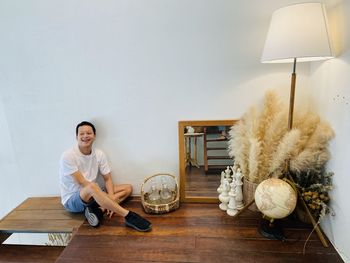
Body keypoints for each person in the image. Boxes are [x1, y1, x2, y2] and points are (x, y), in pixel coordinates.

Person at [59, 121, 152, 232]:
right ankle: (128, 216)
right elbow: (82, 182)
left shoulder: (99, 154)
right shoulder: (68, 156)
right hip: (73, 199)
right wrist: (109, 199)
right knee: (92, 186)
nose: (85, 136)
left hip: (93, 192)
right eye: (81, 134)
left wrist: (111, 199)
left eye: (88, 133)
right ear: (76, 137)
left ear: (94, 135)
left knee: (128, 188)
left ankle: (98, 210)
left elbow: (107, 179)